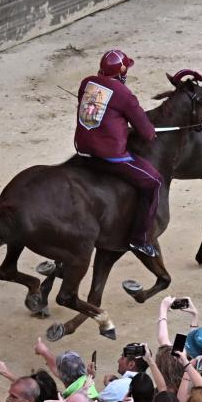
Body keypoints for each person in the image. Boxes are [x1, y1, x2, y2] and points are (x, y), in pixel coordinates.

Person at [74, 50, 162, 257]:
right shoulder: (124, 94)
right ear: (121, 72)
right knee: (154, 181)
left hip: (83, 149)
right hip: (109, 156)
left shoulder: (87, 83)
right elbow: (147, 133)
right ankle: (139, 239)